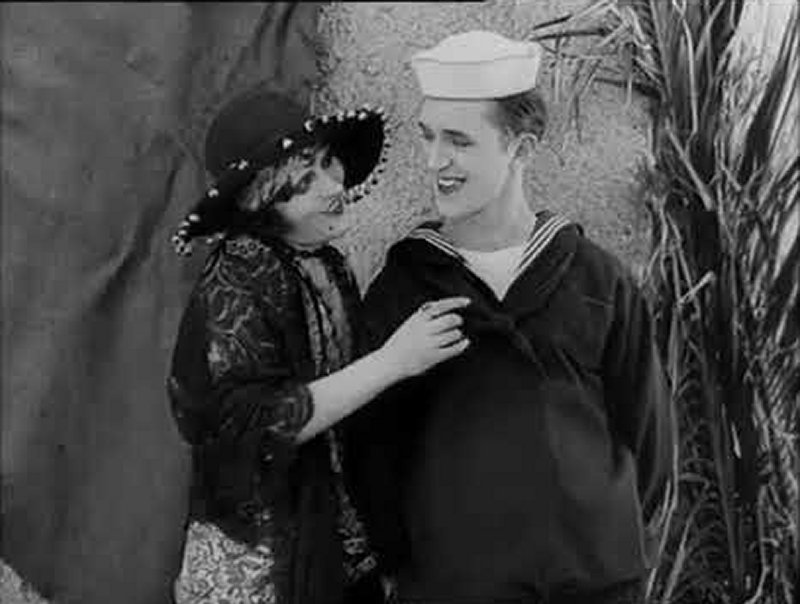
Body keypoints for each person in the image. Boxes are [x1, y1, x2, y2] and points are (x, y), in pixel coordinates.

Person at [344, 31, 677, 604]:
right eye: (428, 136)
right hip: (451, 590)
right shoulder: (404, 287)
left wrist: (600, 540)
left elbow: (649, 439)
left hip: (595, 588)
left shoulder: (599, 281)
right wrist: (411, 568)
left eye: (459, 140)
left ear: (521, 149)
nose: (434, 160)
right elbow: (370, 448)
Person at [166, 84, 471, 604]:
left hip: (336, 537)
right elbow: (256, 424)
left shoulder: (325, 262)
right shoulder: (240, 276)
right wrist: (394, 361)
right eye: (305, 181)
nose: (334, 185)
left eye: (329, 163)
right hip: (264, 563)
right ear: (265, 204)